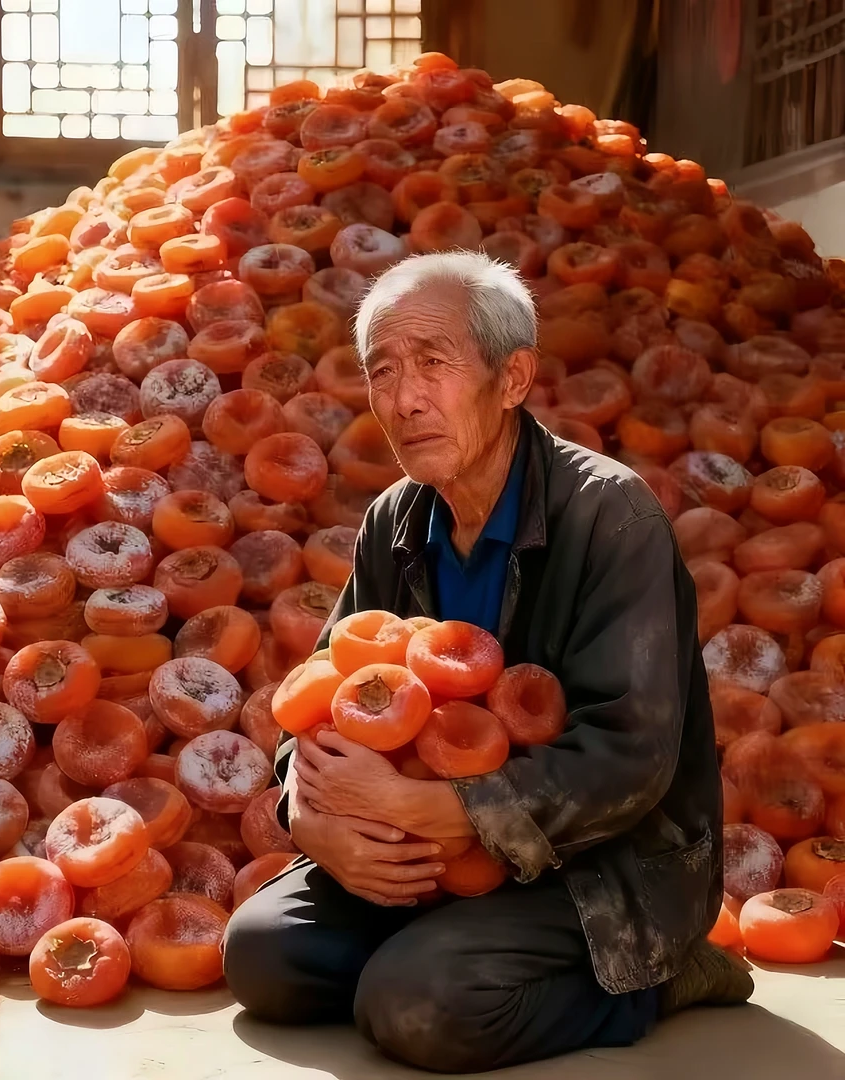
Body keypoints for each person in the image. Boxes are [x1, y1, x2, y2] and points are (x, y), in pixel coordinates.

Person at [222, 252, 752, 1073]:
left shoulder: (609, 517)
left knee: (418, 1006)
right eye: (384, 372)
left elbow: (632, 756)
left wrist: (450, 811)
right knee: (263, 958)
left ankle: (665, 975)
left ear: (512, 379)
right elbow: (320, 696)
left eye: (434, 365)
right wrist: (316, 820)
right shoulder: (395, 520)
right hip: (437, 862)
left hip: (602, 860)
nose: (403, 400)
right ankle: (451, 948)